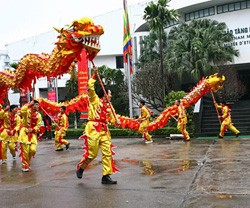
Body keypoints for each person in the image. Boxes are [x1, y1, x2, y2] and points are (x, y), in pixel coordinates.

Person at [76, 67, 120, 184]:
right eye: (109, 94)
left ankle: (106, 176)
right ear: (104, 94)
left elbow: (112, 119)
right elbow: (90, 87)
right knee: (92, 154)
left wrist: (117, 123)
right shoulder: (95, 100)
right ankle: (81, 168)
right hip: (93, 129)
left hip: (104, 131)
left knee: (107, 153)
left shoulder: (110, 107)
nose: (110, 96)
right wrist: (94, 76)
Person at [18, 100, 42, 172]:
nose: (38, 106)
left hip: (33, 134)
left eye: (38, 105)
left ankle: (27, 163)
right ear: (32, 105)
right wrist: (28, 105)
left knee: (33, 150)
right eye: (36, 104)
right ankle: (25, 165)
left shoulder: (39, 115)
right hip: (24, 133)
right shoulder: (27, 111)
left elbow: (38, 126)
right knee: (25, 151)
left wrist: (33, 129)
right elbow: (22, 111)